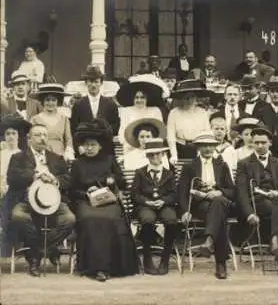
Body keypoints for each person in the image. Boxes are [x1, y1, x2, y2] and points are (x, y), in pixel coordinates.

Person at [70, 119, 139, 282]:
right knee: (90, 219)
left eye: (93, 144)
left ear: (100, 145)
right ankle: (95, 267)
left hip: (108, 200)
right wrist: (86, 193)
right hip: (85, 202)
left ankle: (113, 267)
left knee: (112, 218)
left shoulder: (109, 160)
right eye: (86, 145)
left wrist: (112, 180)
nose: (89, 148)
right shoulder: (77, 164)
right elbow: (71, 190)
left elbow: (122, 182)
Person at [8, 124, 75, 277]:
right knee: (18, 216)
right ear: (29, 139)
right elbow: (12, 179)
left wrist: (55, 179)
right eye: (38, 135)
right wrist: (34, 175)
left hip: (54, 202)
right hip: (27, 201)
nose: (42, 138)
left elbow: (67, 180)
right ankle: (46, 252)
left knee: (69, 219)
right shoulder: (18, 157)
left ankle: (36, 254)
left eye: (45, 135)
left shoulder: (56, 158)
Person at [236, 126, 278, 279]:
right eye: (256, 143)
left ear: (270, 143)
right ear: (252, 144)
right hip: (257, 203)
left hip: (276, 202)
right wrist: (249, 213)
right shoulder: (244, 164)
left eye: (263, 142)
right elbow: (241, 192)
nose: (260, 146)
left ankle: (276, 241)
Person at [178, 130, 235, 279]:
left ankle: (209, 241)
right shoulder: (190, 166)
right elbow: (182, 191)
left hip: (220, 202)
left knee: (218, 203)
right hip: (201, 205)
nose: (208, 149)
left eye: (211, 146)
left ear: (215, 146)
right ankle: (220, 263)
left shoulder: (222, 165)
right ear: (198, 148)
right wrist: (185, 211)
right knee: (219, 217)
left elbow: (231, 190)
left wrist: (219, 192)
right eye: (204, 146)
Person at [132, 138, 178, 275]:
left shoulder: (169, 174)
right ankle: (147, 257)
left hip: (164, 205)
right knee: (147, 220)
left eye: (158, 154)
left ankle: (165, 258)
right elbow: (134, 194)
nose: (155, 157)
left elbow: (174, 194)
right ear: (147, 156)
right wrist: (147, 202)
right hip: (146, 206)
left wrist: (163, 201)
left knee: (171, 220)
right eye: (151, 155)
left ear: (163, 155)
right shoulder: (140, 173)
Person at [0, 114, 31, 252]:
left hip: (15, 192)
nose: (11, 136)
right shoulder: (1, 153)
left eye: (14, 133)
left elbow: (23, 178)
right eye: (8, 133)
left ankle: (9, 244)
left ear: (19, 136)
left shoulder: (23, 155)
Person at [116, 74, 166, 153]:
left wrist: (149, 145)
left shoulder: (155, 110)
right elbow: (122, 133)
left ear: (147, 99)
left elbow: (160, 132)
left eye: (142, 97)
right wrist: (135, 146)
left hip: (152, 148)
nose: (139, 100)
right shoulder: (126, 111)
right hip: (131, 148)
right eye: (137, 97)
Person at [166, 80, 211, 163]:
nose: (190, 100)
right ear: (182, 98)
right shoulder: (174, 112)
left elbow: (206, 134)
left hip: (198, 149)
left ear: (196, 98)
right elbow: (170, 135)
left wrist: (202, 152)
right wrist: (174, 155)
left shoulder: (202, 113)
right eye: (187, 97)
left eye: (192, 97)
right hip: (179, 148)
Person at [70, 65, 120, 138]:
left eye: (96, 82)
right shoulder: (78, 104)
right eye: (90, 81)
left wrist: (103, 131)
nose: (93, 85)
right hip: (84, 145)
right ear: (86, 83)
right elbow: (74, 128)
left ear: (101, 83)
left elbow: (115, 127)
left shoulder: (111, 104)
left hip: (105, 144)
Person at [30, 84, 74, 162]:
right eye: (47, 100)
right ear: (42, 101)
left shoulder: (64, 119)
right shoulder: (35, 119)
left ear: (58, 101)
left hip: (60, 156)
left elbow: (68, 140)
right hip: (41, 156)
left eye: (53, 100)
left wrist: (68, 154)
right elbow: (31, 140)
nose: (50, 103)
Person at [257, 76, 278, 157]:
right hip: (267, 152)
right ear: (268, 93)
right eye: (272, 91)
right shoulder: (262, 111)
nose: (275, 94)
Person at [210, 113, 238, 179]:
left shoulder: (230, 149)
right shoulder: (208, 147)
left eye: (222, 129)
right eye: (216, 129)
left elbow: (234, 167)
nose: (219, 131)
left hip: (228, 179)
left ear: (226, 132)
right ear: (211, 130)